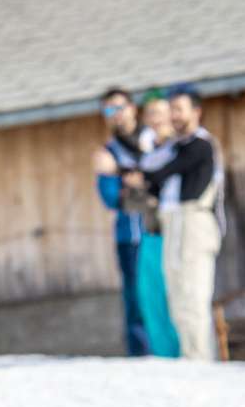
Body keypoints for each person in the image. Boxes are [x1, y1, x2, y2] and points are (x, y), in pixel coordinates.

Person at [140, 83, 222, 361]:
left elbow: (160, 173)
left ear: (196, 111)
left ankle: (200, 357)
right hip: (173, 222)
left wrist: (146, 177)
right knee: (175, 291)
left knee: (193, 293)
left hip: (194, 220)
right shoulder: (174, 147)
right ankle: (189, 355)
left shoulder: (200, 144)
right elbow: (152, 174)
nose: (173, 116)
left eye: (178, 109)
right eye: (170, 110)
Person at [92, 88, 153, 356]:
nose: (116, 115)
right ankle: (141, 356)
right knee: (136, 299)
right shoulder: (108, 152)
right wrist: (139, 186)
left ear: (133, 108)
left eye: (120, 107)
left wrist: (132, 179)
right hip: (132, 236)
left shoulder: (154, 139)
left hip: (164, 231)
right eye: (109, 110)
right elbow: (113, 199)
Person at [121, 91, 181, 357]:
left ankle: (185, 352)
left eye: (160, 112)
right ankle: (163, 354)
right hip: (151, 231)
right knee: (150, 296)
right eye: (151, 114)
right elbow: (130, 203)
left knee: (177, 295)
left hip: (176, 231)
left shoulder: (180, 149)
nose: (156, 119)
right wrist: (139, 189)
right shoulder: (145, 154)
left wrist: (144, 187)